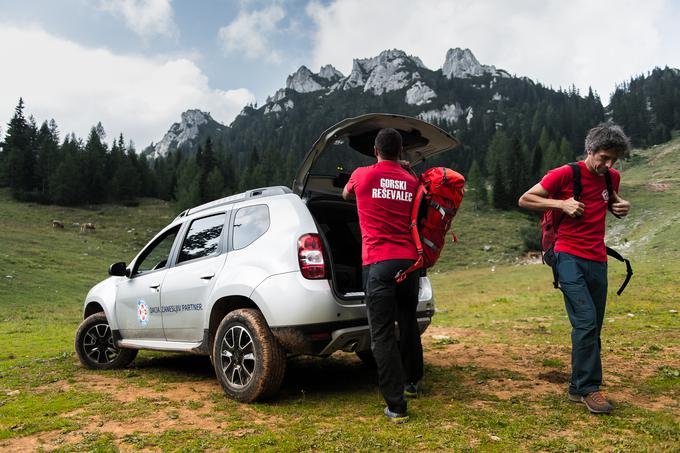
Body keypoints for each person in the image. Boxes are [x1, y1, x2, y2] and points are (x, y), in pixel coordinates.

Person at [518, 122, 631, 414]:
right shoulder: (566, 173)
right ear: (590, 150)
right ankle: (587, 389)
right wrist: (561, 204)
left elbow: (611, 202)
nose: (607, 165)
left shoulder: (611, 178)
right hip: (567, 255)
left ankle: (579, 384)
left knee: (593, 326)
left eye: (613, 160)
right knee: (586, 322)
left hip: (598, 258)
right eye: (603, 157)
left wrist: (620, 207)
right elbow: (526, 198)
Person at [342, 128, 423, 423]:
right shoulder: (412, 180)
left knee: (383, 335)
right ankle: (413, 382)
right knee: (409, 320)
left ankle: (396, 406)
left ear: (375, 150)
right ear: (401, 152)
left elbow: (345, 193)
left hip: (379, 263)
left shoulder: (363, 174)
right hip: (409, 262)